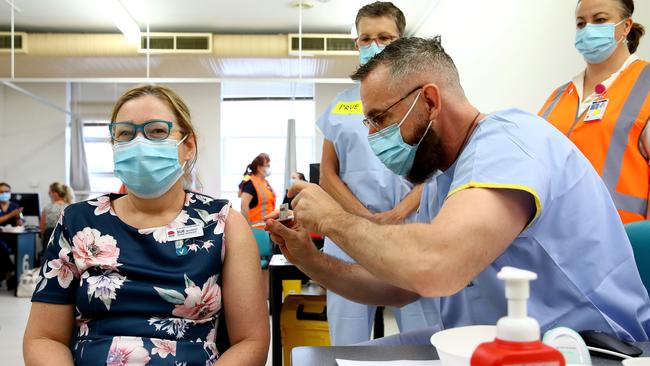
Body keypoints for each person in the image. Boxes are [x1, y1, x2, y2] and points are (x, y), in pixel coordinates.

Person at [266, 37, 650, 345]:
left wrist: (333, 218)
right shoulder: (440, 178)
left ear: (430, 101)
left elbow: (434, 266)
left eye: (380, 119)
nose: (371, 137)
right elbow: (399, 285)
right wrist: (311, 260)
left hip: (590, 349)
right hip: (495, 346)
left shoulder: (508, 143)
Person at [24, 85, 269, 365]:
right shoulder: (77, 222)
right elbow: (44, 338)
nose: (139, 144)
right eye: (125, 134)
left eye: (156, 131)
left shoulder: (223, 224)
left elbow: (251, 341)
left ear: (188, 146)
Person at [316, 1, 434, 346]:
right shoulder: (341, 104)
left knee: (422, 337)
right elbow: (327, 174)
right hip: (351, 232)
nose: (374, 45)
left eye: (384, 37)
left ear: (401, 41)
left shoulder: (421, 99)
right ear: (356, 44)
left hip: (410, 229)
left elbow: (438, 170)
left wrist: (398, 213)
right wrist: (364, 217)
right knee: (347, 339)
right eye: (365, 38)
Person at [539, 0, 649, 224]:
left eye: (600, 20)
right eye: (581, 23)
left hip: (626, 244)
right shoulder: (558, 97)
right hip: (557, 244)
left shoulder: (646, 83)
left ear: (626, 26)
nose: (588, 29)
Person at [240, 153, 276, 226]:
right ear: (259, 168)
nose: (269, 168)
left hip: (268, 227)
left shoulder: (266, 183)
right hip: (256, 228)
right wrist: (246, 227)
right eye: (267, 166)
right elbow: (244, 206)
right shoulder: (250, 183)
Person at [40, 182, 74, 251]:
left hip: (50, 238)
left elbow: (42, 228)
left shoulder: (47, 208)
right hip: (67, 239)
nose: (49, 194)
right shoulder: (70, 207)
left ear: (55, 193)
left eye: (50, 192)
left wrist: (42, 237)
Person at [0, 182, 21, 290]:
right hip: (1, 238)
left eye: (6, 192)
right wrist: (11, 215)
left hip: (12, 236)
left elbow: (20, 223)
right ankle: (9, 273)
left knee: (20, 244)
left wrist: (18, 218)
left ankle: (6, 275)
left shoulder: (14, 206)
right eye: (1, 192)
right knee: (1, 246)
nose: (4, 194)